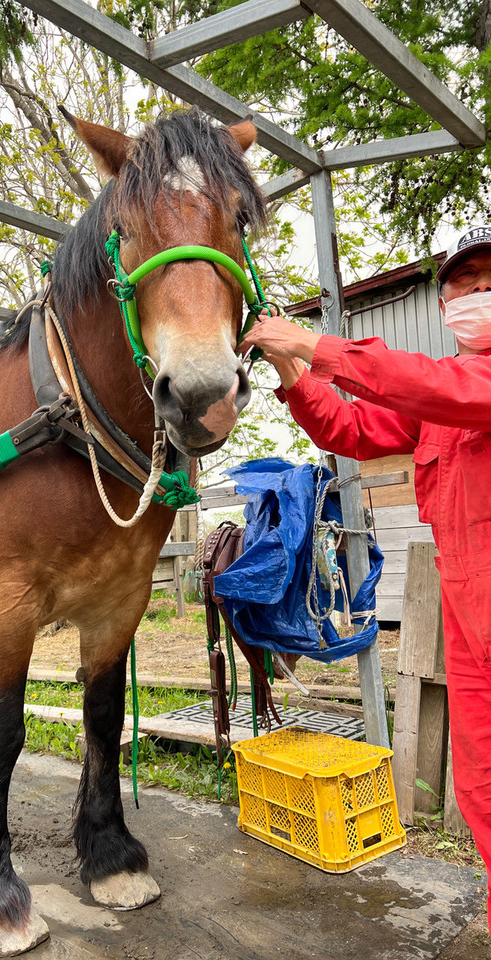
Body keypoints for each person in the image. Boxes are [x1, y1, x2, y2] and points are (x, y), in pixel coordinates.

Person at [239, 225, 491, 931]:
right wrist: (293, 372)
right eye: (466, 284)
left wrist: (312, 343)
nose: (479, 294)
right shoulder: (440, 404)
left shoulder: (457, 386)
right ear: (445, 304)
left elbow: (427, 384)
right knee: (480, 781)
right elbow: (349, 428)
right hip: (468, 616)